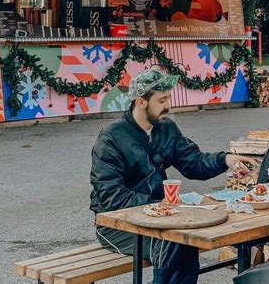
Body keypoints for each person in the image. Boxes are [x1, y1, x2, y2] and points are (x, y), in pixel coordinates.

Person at [89, 69, 256, 284]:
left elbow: (194, 163)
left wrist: (226, 159)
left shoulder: (166, 127)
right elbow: (111, 195)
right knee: (172, 242)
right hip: (116, 225)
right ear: (141, 102)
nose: (168, 105)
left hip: (160, 218)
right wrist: (159, 207)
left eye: (168, 98)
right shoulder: (111, 138)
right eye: (161, 100)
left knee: (185, 240)